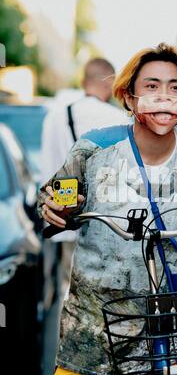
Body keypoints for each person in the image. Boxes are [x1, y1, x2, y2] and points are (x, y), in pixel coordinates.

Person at [38, 42, 177, 375]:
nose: (163, 95)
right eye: (151, 86)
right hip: (96, 320)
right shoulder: (92, 148)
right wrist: (53, 210)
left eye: (175, 87)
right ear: (129, 98)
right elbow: (53, 199)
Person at [40, 58, 128, 299]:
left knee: (70, 291)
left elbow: (47, 169)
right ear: (111, 84)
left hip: (65, 216)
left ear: (83, 82)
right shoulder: (119, 119)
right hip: (109, 223)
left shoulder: (55, 117)